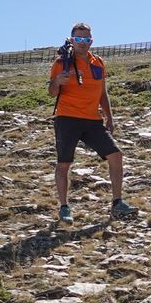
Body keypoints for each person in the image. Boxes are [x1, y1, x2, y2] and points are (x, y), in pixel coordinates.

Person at [48, 22, 138, 222]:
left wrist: (109, 117)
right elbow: (51, 92)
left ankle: (117, 203)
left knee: (116, 155)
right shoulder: (61, 63)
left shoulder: (98, 62)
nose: (82, 43)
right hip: (67, 118)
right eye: (78, 39)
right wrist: (57, 82)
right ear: (72, 40)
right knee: (64, 163)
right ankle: (64, 207)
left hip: (92, 120)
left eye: (86, 39)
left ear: (91, 41)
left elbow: (102, 92)